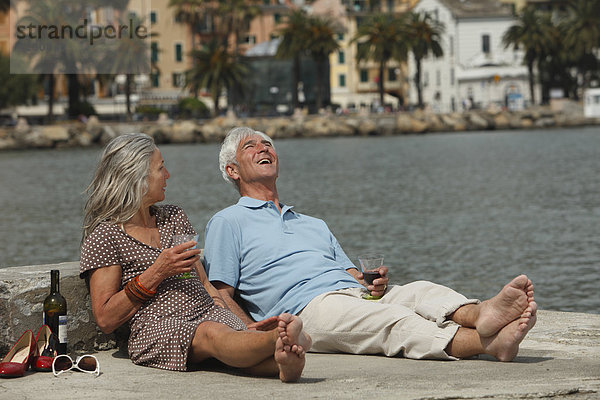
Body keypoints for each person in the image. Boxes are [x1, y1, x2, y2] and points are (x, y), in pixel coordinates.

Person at [204, 126, 537, 362]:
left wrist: (370, 283)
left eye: (267, 144)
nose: (263, 148)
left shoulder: (312, 223)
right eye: (251, 147)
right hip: (307, 309)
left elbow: (351, 274)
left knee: (421, 290)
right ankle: (486, 343)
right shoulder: (228, 222)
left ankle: (482, 313)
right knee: (395, 321)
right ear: (232, 171)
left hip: (349, 295)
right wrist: (249, 334)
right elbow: (220, 293)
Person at [79, 133, 311, 382]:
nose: (167, 175)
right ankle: (280, 337)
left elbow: (203, 282)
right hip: (159, 324)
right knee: (212, 334)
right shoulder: (106, 236)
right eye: (161, 168)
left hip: (207, 311)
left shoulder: (174, 217)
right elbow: (105, 318)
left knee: (230, 341)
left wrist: (233, 317)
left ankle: (284, 364)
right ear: (136, 177)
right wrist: (157, 272)